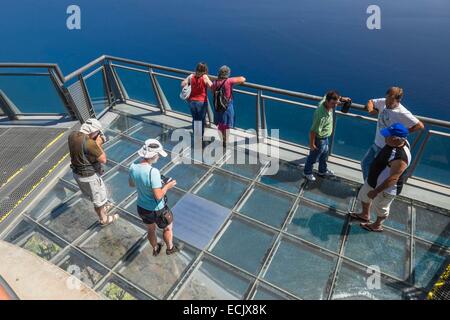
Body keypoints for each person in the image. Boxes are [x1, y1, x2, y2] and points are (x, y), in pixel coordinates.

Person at [349, 123, 411, 232]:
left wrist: (376, 191)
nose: (385, 137)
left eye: (388, 135)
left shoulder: (400, 158)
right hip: (373, 180)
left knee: (381, 208)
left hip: (384, 189)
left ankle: (377, 225)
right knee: (364, 196)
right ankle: (365, 214)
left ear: (396, 138)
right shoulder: (396, 143)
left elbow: (393, 179)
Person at [128, 139, 181, 256]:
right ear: (154, 155)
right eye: (158, 155)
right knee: (167, 228)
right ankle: (170, 248)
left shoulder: (133, 167)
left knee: (151, 229)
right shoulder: (153, 172)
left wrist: (145, 184)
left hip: (142, 207)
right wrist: (167, 185)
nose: (159, 157)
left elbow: (132, 184)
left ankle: (155, 248)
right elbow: (158, 196)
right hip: (157, 209)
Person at [361, 87, 424, 181]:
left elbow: (420, 126)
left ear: (398, 100)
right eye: (387, 99)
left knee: (378, 171)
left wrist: (402, 133)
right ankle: (367, 184)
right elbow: (371, 101)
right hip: (377, 142)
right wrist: (371, 110)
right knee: (365, 163)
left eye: (390, 102)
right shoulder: (384, 101)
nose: (387, 103)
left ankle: (371, 188)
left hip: (388, 148)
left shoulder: (402, 112)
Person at [68, 118, 118, 226]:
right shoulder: (90, 143)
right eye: (97, 132)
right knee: (97, 199)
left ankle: (104, 208)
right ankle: (103, 219)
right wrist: (98, 144)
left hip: (77, 173)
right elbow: (103, 159)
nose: (99, 134)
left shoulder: (72, 135)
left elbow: (83, 153)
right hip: (89, 177)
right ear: (92, 132)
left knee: (99, 193)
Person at [303, 91, 351, 181]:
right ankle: (307, 172)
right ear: (327, 101)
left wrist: (342, 98)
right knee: (313, 157)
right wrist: (312, 144)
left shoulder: (326, 101)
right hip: (319, 139)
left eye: (336, 103)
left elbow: (327, 94)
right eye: (333, 103)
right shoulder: (321, 115)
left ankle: (322, 171)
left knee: (324, 156)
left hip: (325, 137)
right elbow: (313, 131)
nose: (334, 106)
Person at [211, 66, 246, 148]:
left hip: (217, 107)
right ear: (227, 74)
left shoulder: (214, 83)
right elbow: (243, 79)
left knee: (220, 125)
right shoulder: (229, 81)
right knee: (226, 126)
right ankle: (226, 141)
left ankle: (222, 139)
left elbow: (213, 92)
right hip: (227, 107)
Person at [181, 62, 213, 140]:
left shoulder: (191, 76)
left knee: (195, 119)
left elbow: (182, 84)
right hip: (201, 102)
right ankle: (199, 138)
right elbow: (211, 86)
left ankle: (196, 135)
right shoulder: (204, 77)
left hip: (191, 101)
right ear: (204, 71)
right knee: (200, 121)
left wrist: (188, 84)